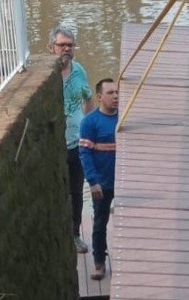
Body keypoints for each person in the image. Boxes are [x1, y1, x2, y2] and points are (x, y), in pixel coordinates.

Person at [49, 26, 94, 254]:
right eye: (62, 45)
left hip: (76, 144)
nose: (66, 49)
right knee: (53, 192)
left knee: (76, 192)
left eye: (70, 45)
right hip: (52, 148)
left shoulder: (79, 71)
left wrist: (88, 128)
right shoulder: (46, 78)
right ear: (51, 48)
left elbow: (88, 98)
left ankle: (75, 234)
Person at [79, 78, 119, 280]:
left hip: (124, 183)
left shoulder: (125, 116)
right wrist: (92, 182)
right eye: (111, 93)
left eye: (117, 92)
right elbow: (84, 154)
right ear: (100, 97)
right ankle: (99, 262)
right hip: (102, 183)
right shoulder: (89, 122)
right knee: (99, 224)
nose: (116, 96)